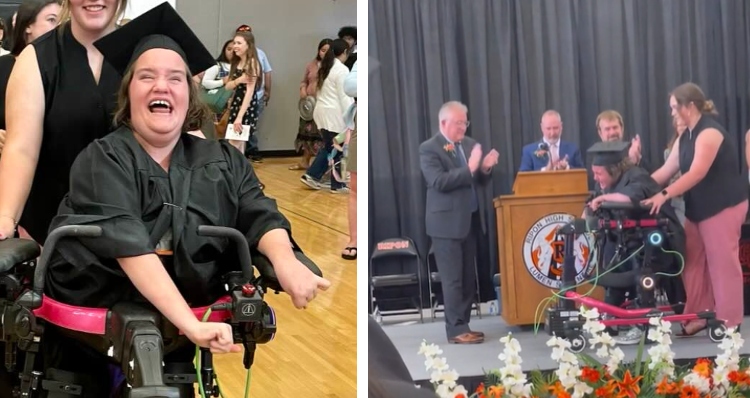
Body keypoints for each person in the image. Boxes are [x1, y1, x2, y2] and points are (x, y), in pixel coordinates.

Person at [35, 4, 330, 397]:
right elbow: (130, 245)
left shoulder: (223, 160)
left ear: (188, 94)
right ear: (128, 92)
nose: (162, 86)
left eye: (175, 78)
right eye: (146, 76)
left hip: (180, 333)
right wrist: (191, 325)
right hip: (90, 335)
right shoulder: (102, 158)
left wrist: (286, 261)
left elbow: (258, 213)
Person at [0, 0, 128, 243]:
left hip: (133, 225)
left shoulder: (142, 52)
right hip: (53, 228)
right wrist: (6, 217)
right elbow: (21, 149)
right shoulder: (37, 58)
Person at [643, 83, 748, 335]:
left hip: (723, 205)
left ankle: (729, 322)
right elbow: (666, 170)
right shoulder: (685, 136)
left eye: (673, 107)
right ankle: (699, 315)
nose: (671, 113)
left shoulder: (709, 133)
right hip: (698, 209)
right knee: (691, 262)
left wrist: (665, 194)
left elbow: (697, 173)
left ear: (689, 106)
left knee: (723, 264)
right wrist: (638, 188)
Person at [586, 141, 686, 345]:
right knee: (611, 272)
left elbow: (633, 198)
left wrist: (604, 199)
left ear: (613, 170)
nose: (595, 178)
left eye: (599, 173)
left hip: (658, 243)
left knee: (642, 276)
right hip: (629, 243)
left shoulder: (637, 176)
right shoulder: (605, 184)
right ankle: (609, 321)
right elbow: (594, 204)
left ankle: (644, 327)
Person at [419, 101, 499, 344]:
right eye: (459, 123)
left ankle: (463, 324)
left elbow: (478, 182)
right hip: (445, 224)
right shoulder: (430, 149)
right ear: (443, 123)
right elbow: (439, 181)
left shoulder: (468, 145)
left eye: (465, 122)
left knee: (466, 278)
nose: (463, 127)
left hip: (469, 220)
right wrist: (472, 166)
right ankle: (454, 329)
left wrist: (484, 169)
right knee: (452, 278)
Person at [518, 110, 584, 172]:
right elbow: (524, 178)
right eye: (548, 129)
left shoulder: (573, 149)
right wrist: (546, 170)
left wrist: (567, 168)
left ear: (561, 126)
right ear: (542, 127)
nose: (552, 133)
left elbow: (582, 174)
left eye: (555, 128)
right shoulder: (529, 151)